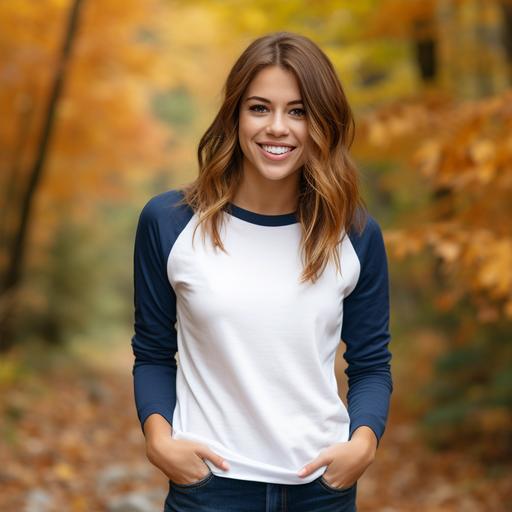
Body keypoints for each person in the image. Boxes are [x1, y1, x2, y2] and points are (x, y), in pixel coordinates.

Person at [131, 31, 393, 512]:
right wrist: (159, 440)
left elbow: (372, 364)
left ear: (322, 123)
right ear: (234, 115)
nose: (277, 127)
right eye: (259, 108)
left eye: (298, 111)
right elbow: (151, 351)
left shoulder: (354, 234)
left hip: (322, 490)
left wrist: (363, 444)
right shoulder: (169, 222)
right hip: (210, 489)